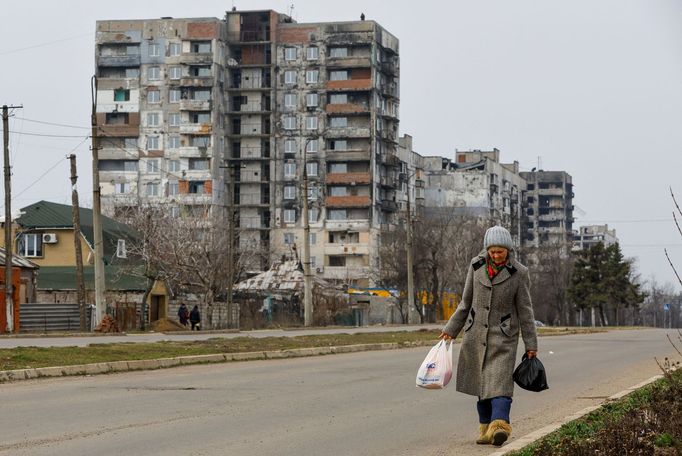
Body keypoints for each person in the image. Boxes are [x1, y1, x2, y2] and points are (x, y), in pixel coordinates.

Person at [439, 225, 538, 447]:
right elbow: (465, 303)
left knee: (500, 384)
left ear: (508, 250)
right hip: (475, 335)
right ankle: (485, 428)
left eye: (500, 251)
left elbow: (526, 311)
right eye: (492, 251)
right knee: (481, 385)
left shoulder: (519, 273)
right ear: (487, 249)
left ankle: (500, 426)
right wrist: (451, 330)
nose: (496, 255)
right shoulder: (475, 266)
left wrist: (531, 343)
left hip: (504, 337)